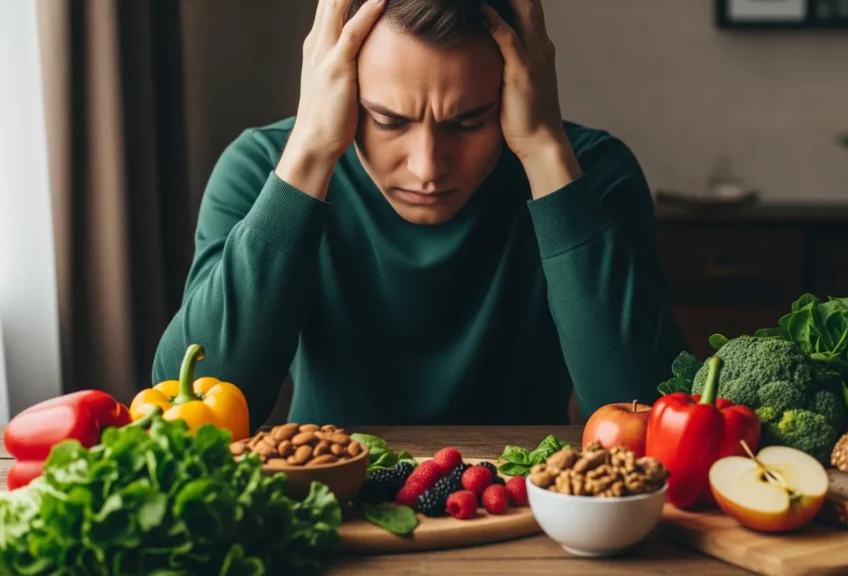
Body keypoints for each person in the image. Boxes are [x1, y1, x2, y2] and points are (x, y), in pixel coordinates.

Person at [152, 0, 688, 429]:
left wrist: (546, 153)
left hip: (527, 512)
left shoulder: (592, 174)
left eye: (468, 121)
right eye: (387, 120)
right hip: (332, 508)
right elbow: (189, 402)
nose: (427, 167)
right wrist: (310, 152)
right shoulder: (263, 170)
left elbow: (645, 410)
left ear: (518, 87)